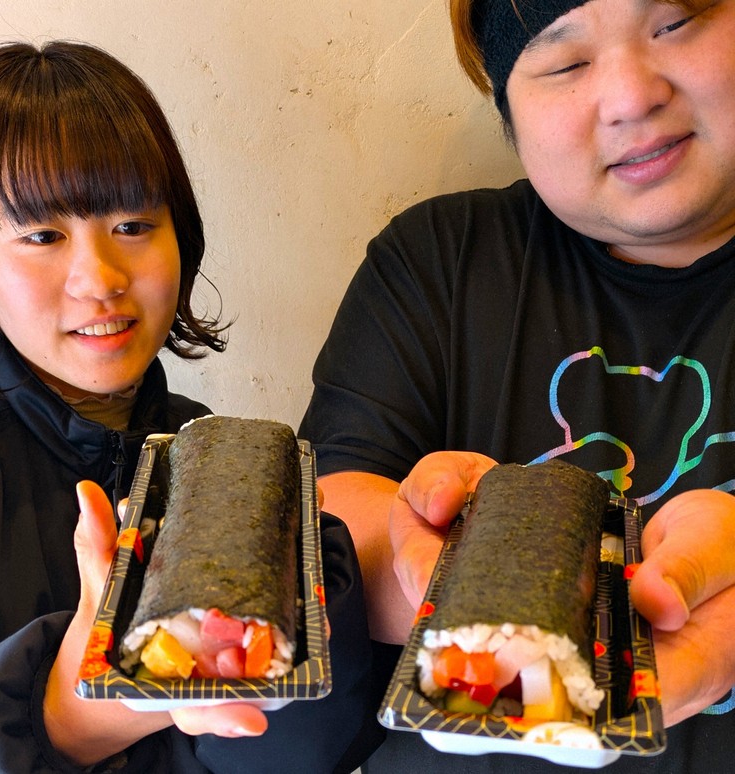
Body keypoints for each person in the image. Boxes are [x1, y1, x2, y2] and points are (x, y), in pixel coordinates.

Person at [300, 0, 735, 771]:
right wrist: (489, 558)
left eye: (675, 22)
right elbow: (334, 519)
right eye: (566, 63)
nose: (632, 97)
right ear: (509, 111)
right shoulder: (442, 261)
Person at [0, 40, 376, 773]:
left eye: (133, 226)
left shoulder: (229, 461)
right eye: (43, 236)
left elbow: (306, 755)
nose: (100, 278)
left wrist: (328, 591)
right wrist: (73, 705)